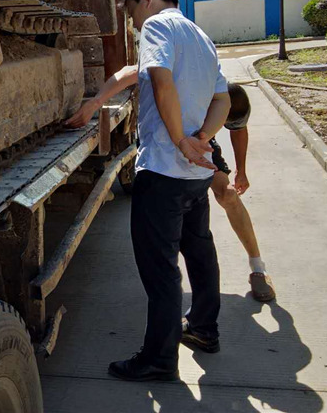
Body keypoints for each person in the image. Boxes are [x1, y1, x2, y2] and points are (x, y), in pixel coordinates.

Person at [98, 0, 230, 382]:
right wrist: (201, 139)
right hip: (193, 175)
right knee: (200, 251)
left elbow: (160, 79)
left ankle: (158, 359)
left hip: (163, 172)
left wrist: (178, 139)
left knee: (161, 271)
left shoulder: (156, 26)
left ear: (147, 0)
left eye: (132, 11)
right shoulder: (200, 36)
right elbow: (223, 98)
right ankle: (205, 330)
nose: (133, 22)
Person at [67, 74, 276, 302]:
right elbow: (130, 72)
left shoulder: (229, 95)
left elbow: (238, 129)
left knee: (227, 195)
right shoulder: (178, 74)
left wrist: (241, 170)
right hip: (162, 142)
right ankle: (168, 297)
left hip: (198, 139)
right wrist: (95, 103)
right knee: (167, 221)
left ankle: (258, 267)